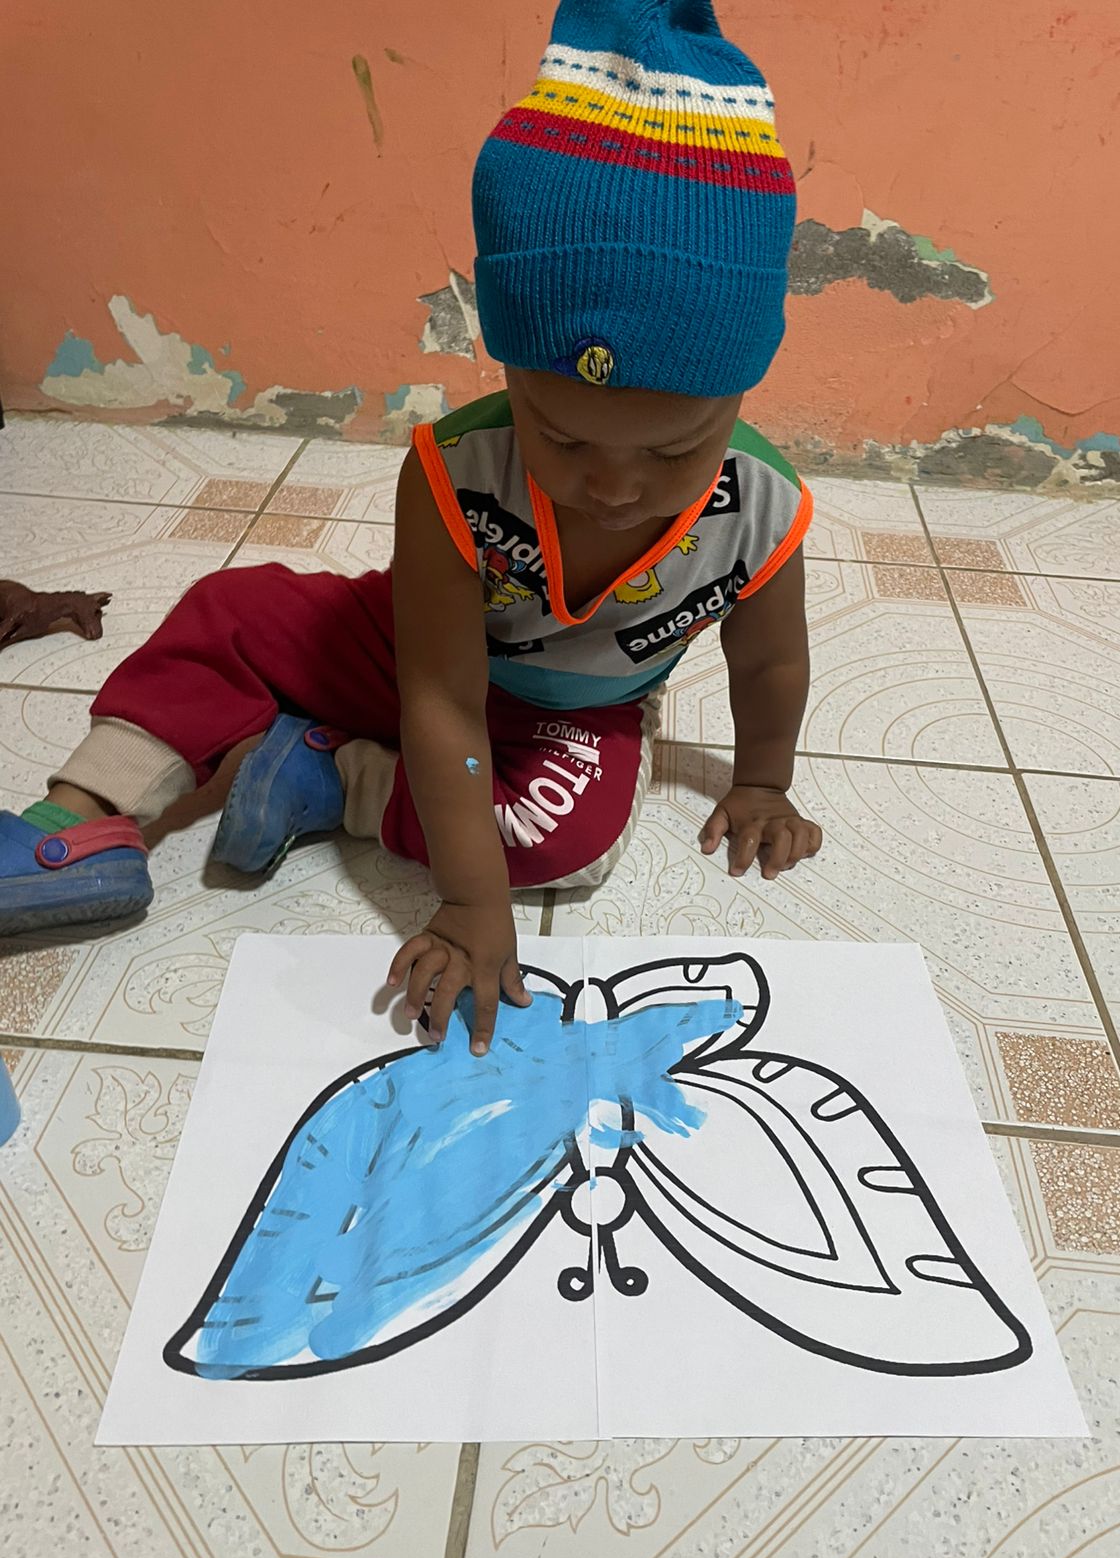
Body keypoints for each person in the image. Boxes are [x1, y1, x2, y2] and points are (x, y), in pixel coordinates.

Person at [0, 0, 822, 1052]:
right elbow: (439, 694)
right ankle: (77, 819)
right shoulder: (450, 474)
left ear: (741, 395)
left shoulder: (762, 509)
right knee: (231, 608)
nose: (613, 486)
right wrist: (468, 905)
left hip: (576, 709)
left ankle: (334, 777)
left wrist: (762, 781)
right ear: (510, 373)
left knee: (567, 839)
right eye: (562, 436)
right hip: (419, 653)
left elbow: (769, 664)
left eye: (672, 451)